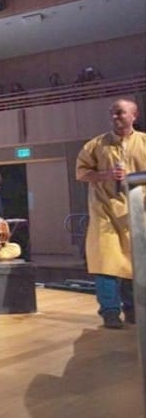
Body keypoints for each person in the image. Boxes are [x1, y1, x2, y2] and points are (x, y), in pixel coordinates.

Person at [76, 98, 146, 329]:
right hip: (104, 213)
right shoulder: (96, 145)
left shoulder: (144, 142)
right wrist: (105, 175)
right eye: (112, 113)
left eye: (120, 112)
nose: (115, 117)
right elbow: (81, 173)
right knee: (106, 263)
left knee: (134, 263)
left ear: (134, 115)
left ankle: (133, 309)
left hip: (136, 214)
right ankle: (110, 311)